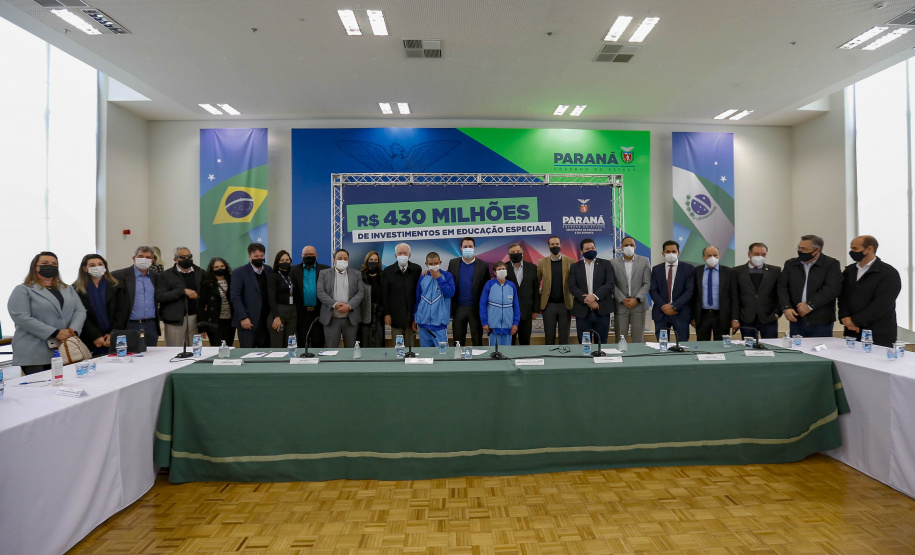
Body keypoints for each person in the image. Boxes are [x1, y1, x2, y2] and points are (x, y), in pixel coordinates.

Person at [7, 252, 87, 375]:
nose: (50, 266)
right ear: (35, 267)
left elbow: (80, 311)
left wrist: (72, 331)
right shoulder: (23, 290)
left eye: (54, 264)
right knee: (41, 390)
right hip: (34, 352)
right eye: (45, 263)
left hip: (65, 348)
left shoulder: (67, 289)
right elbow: (21, 317)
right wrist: (55, 332)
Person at [839, 235, 901, 347]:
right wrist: (844, 317)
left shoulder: (888, 273)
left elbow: (883, 303)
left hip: (879, 332)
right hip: (852, 332)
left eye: (855, 249)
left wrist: (856, 321)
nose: (852, 252)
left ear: (869, 249)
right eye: (851, 248)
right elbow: (843, 297)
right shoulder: (849, 271)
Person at [778, 235, 842, 338]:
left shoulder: (831, 264)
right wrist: (786, 307)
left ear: (817, 251)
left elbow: (831, 289)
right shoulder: (791, 264)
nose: (800, 251)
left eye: (804, 249)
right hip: (796, 318)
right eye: (799, 247)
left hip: (821, 320)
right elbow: (782, 287)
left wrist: (809, 305)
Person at [73, 254, 128, 356]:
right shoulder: (76, 289)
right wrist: (96, 336)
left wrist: (113, 333)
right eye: (92, 265)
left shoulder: (116, 285)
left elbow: (121, 311)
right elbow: (81, 315)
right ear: (85, 268)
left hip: (114, 336)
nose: (97, 267)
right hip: (90, 339)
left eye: (100, 264)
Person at [567, 238, 614, 344]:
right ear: (581, 252)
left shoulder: (606, 264)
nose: (591, 250)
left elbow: (609, 284)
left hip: (602, 309)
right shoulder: (575, 267)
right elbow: (572, 286)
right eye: (587, 249)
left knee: (601, 342)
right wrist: (587, 299)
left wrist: (595, 297)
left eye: (593, 248)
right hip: (582, 311)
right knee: (584, 342)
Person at [157, 247, 206, 347]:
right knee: (174, 350)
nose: (187, 259)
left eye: (189, 257)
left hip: (195, 318)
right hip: (175, 320)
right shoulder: (165, 275)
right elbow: (160, 296)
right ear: (175, 260)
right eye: (183, 257)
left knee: (195, 350)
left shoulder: (200, 273)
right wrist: (182, 291)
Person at [111, 246, 160, 346]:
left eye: (148, 257)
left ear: (152, 260)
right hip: (129, 325)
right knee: (130, 357)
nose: (144, 260)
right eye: (140, 256)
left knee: (152, 358)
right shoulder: (119, 276)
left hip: (151, 325)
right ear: (134, 259)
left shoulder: (156, 277)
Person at [448, 237, 491, 346]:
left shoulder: (483, 265)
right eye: (465, 247)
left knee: (477, 341)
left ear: (474, 248)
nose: (468, 249)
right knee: (458, 341)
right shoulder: (453, 263)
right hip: (458, 308)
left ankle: (477, 362)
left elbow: (487, 288)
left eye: (470, 247)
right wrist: (428, 272)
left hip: (475, 309)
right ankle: (458, 361)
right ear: (461, 248)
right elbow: (446, 279)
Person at [317, 249, 364, 348]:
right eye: (339, 258)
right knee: (332, 349)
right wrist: (335, 304)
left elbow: (360, 292)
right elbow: (320, 292)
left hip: (350, 318)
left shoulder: (356, 274)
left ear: (348, 260)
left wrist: (349, 306)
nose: (342, 260)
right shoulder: (324, 273)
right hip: (331, 319)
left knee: (351, 350)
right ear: (334, 260)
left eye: (345, 258)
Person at [649, 240, 695, 342]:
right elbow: (653, 290)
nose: (671, 254)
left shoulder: (689, 269)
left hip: (681, 313)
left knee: (682, 344)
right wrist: (665, 307)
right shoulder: (656, 269)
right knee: (662, 346)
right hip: (661, 313)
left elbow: (689, 291)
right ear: (663, 253)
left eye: (673, 251)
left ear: (679, 253)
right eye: (668, 251)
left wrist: (674, 306)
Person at [734, 242, 782, 339]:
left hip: (769, 318)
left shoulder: (775, 271)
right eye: (756, 254)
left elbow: (781, 293)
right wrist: (735, 318)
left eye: (763, 255)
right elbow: (734, 296)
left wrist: (777, 313)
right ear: (749, 254)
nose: (760, 257)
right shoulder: (736, 271)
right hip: (746, 318)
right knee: (749, 349)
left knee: (771, 348)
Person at [691, 246, 739, 341]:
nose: (712, 258)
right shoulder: (696, 272)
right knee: (702, 345)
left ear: (719, 256)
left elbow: (734, 297)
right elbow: (693, 296)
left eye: (715, 255)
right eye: (709, 255)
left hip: (722, 316)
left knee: (721, 346)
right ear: (703, 257)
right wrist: (692, 317)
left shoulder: (729, 272)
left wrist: (735, 319)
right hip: (702, 316)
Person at [231, 243, 273, 348]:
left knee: (266, 354)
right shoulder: (239, 272)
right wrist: (243, 317)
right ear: (249, 256)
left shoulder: (269, 270)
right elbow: (235, 297)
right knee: (247, 354)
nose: (259, 259)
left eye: (262, 256)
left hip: (266, 321)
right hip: (248, 322)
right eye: (256, 256)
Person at [609, 236, 650, 343]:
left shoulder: (644, 261)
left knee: (638, 338)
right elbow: (611, 284)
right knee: (620, 339)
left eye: (631, 245)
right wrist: (622, 299)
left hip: (639, 305)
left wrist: (636, 299)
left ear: (635, 247)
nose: (629, 247)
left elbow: (647, 283)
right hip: (621, 305)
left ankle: (638, 359)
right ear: (621, 247)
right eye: (626, 245)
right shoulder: (612, 263)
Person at [536, 235, 574, 345]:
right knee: (549, 336)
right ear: (548, 246)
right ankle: (550, 358)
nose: (555, 246)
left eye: (557, 244)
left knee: (564, 336)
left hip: (565, 304)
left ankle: (564, 359)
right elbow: (537, 282)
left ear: (561, 245)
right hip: (548, 305)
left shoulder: (570, 261)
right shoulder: (542, 262)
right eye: (552, 244)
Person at [383, 242, 422, 347]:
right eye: (400, 253)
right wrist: (387, 313)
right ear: (395, 256)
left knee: (410, 346)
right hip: (395, 316)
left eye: (405, 253)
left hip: (411, 316)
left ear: (409, 255)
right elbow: (385, 294)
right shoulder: (387, 271)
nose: (402, 255)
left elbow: (419, 293)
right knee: (397, 347)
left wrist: (417, 315)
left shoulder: (417, 269)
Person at [290, 245, 329, 349]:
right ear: (301, 256)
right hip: (301, 313)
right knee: (302, 342)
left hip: (319, 312)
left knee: (318, 341)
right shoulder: (293, 270)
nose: (308, 256)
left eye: (311, 254)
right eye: (306, 255)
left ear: (316, 255)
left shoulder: (326, 270)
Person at [413, 252, 455, 347]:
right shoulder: (422, 277)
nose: (433, 266)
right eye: (430, 264)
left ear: (440, 262)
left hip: (439, 325)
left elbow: (450, 293)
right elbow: (418, 298)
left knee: (443, 355)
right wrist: (415, 318)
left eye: (435, 263)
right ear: (426, 264)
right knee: (426, 355)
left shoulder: (447, 276)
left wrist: (439, 278)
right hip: (423, 325)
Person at [480, 261, 520, 347]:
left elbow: (516, 306)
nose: (501, 271)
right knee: (494, 353)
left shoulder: (511, 285)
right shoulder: (489, 284)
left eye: (503, 269)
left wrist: (515, 323)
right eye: (499, 269)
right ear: (495, 272)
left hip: (508, 326)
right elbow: (482, 304)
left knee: (507, 353)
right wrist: (484, 322)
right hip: (493, 326)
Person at [505, 243, 538, 345]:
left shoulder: (532, 267)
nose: (516, 254)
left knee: (525, 342)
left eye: (518, 252)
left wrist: (535, 309)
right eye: (513, 252)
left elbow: (536, 289)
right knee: (510, 343)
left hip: (527, 311)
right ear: (508, 254)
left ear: (523, 253)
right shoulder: (503, 268)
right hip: (509, 312)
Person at [198, 257, 235, 346]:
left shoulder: (232, 280)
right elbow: (201, 305)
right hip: (215, 321)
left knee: (229, 347)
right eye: (216, 267)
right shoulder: (206, 283)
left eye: (222, 266)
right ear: (212, 269)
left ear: (226, 267)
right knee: (216, 348)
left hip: (230, 321)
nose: (220, 269)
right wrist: (202, 328)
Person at [267, 250, 297, 348]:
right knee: (277, 345)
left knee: (290, 345)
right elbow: (271, 298)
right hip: (279, 313)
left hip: (292, 313)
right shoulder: (273, 276)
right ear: (277, 262)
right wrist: (276, 317)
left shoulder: (291, 275)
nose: (285, 262)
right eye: (282, 260)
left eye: (287, 260)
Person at [359, 251, 385, 347]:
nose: (373, 261)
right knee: (365, 341)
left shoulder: (383, 276)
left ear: (378, 262)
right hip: (364, 313)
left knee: (378, 341)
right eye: (371, 260)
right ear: (367, 261)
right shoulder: (361, 276)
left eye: (375, 260)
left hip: (379, 314)